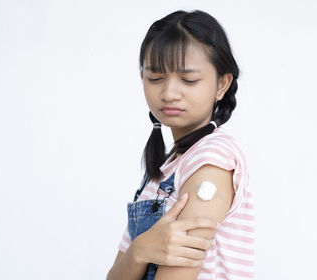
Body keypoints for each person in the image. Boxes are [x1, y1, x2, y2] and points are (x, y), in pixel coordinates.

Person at [107, 9, 255, 280]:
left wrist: (140, 255)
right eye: (155, 77)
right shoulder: (164, 170)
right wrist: (140, 249)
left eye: (188, 80)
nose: (169, 93)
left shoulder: (213, 158)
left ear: (222, 84)